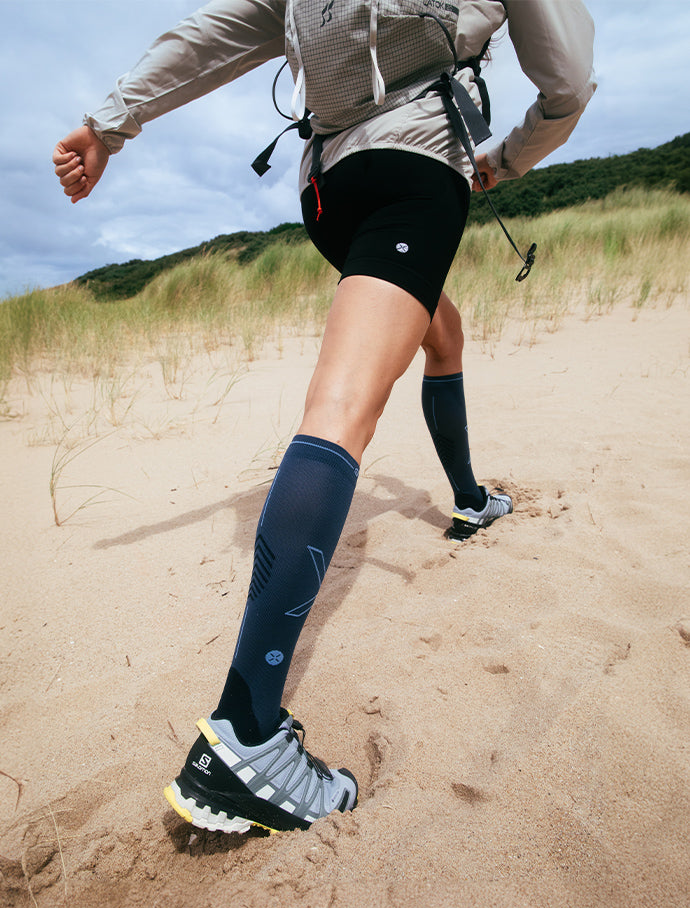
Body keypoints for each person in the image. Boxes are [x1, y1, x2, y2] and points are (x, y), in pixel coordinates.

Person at [53, 0, 596, 834]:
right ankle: (245, 736)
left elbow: (212, 40)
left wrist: (109, 124)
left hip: (327, 191)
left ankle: (468, 499)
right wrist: (509, 160)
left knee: (440, 329)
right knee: (342, 409)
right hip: (415, 168)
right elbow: (566, 81)